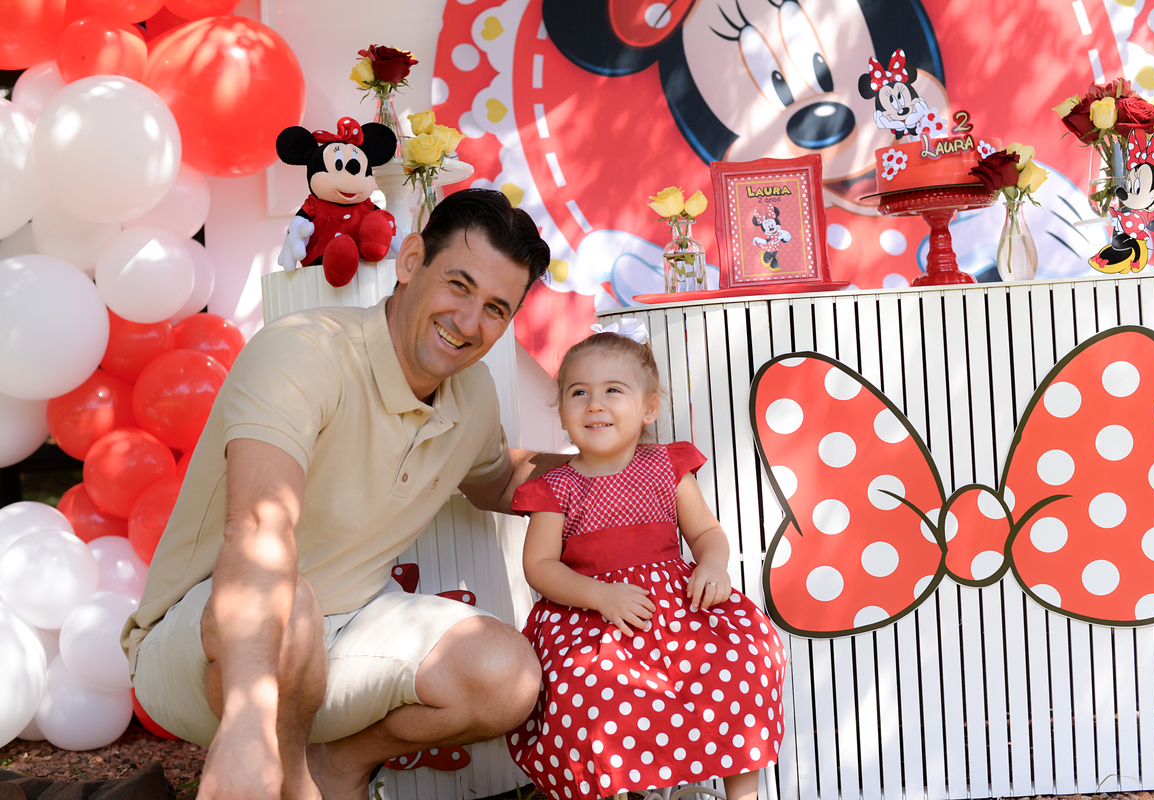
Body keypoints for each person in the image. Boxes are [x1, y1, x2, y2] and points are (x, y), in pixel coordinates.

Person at [121, 188, 564, 800]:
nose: (469, 323)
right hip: (209, 639)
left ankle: (334, 766)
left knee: (507, 677)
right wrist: (248, 721)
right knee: (292, 601)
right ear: (411, 260)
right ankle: (274, 766)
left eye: (495, 308)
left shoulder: (474, 393)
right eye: (458, 286)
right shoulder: (304, 351)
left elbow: (502, 480)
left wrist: (623, 467)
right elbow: (258, 527)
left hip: (348, 632)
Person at [506, 323, 788, 800]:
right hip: (590, 618)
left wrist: (712, 566)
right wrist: (599, 595)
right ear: (562, 413)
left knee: (743, 660)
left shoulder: (666, 467)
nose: (594, 404)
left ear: (649, 408)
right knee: (590, 689)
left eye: (613, 391)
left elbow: (706, 533)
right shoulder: (554, 488)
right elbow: (539, 566)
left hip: (677, 609)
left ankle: (743, 795)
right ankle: (622, 790)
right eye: (578, 392)